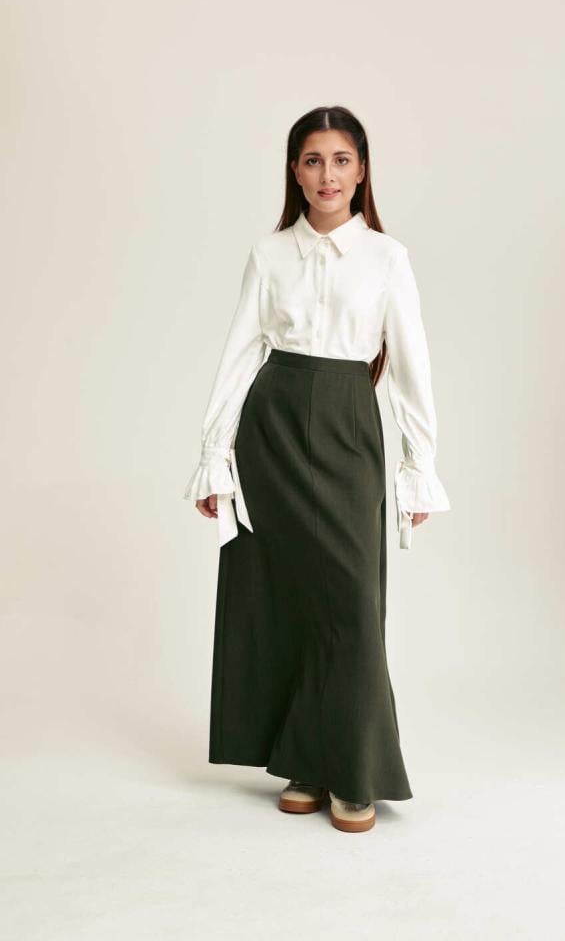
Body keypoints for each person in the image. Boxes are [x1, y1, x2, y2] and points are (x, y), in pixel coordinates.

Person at [183, 105, 451, 833]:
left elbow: (411, 367)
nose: (326, 174)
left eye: (340, 159)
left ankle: (354, 768)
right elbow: (241, 351)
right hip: (270, 426)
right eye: (312, 160)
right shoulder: (269, 255)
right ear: (294, 172)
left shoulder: (387, 258)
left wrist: (419, 466)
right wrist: (214, 457)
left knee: (351, 601)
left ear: (361, 171)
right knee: (286, 595)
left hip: (346, 421)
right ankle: (305, 758)